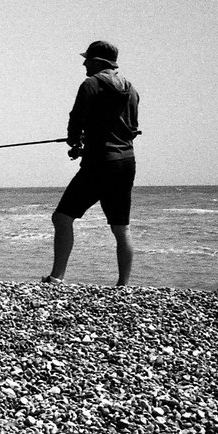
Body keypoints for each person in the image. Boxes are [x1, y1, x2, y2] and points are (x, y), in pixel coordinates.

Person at [44, 40, 141, 286]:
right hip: (126, 162)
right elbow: (131, 129)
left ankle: (57, 277)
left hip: (99, 163)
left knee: (62, 217)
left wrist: (75, 142)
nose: (84, 63)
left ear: (98, 62)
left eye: (87, 59)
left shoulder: (90, 85)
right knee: (121, 228)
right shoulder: (132, 90)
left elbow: (76, 119)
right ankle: (123, 285)